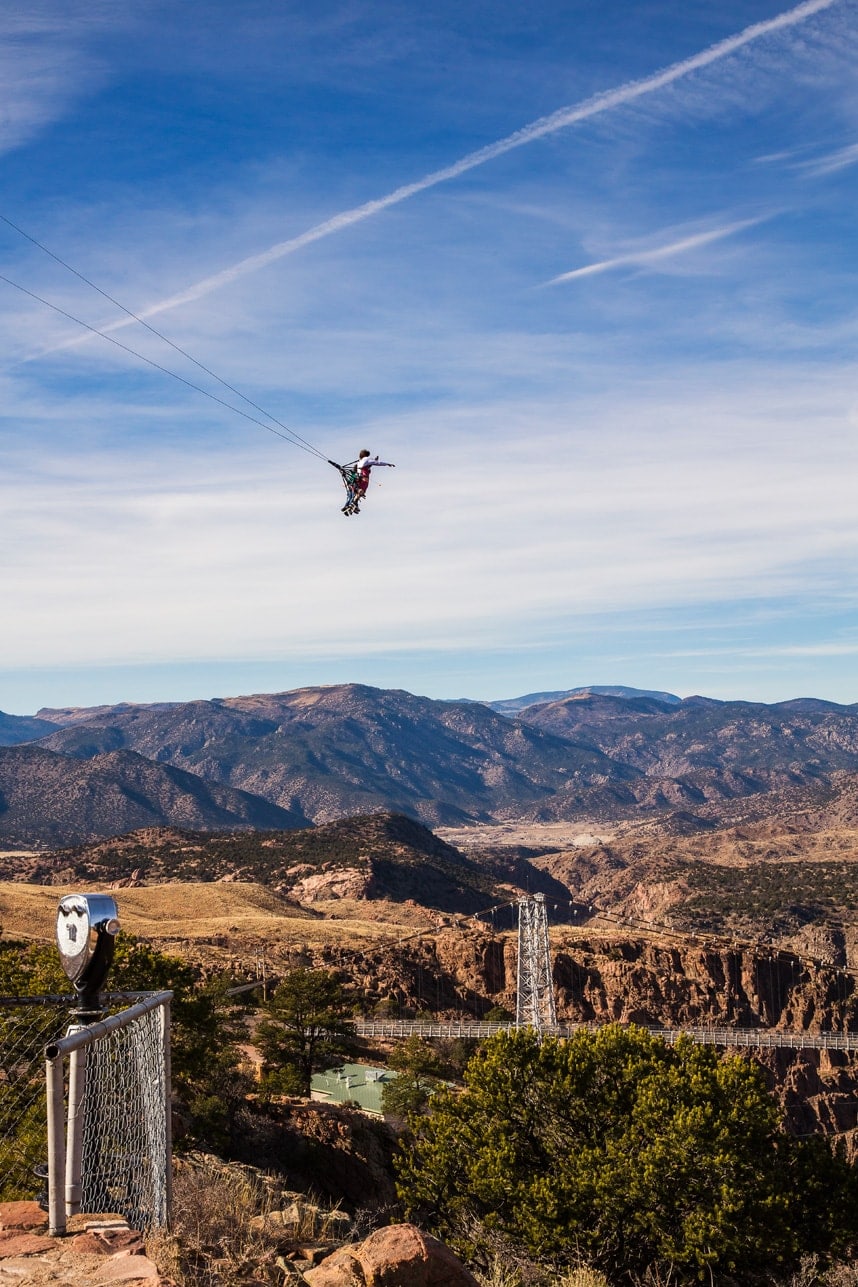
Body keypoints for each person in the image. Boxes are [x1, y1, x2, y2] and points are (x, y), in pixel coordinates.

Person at [341, 450, 395, 515]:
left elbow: (368, 465)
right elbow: (378, 463)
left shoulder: (360, 462)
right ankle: (353, 503)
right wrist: (387, 464)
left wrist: (373, 461)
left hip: (359, 478)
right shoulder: (367, 459)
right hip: (364, 478)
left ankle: (353, 503)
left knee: (359, 491)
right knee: (361, 491)